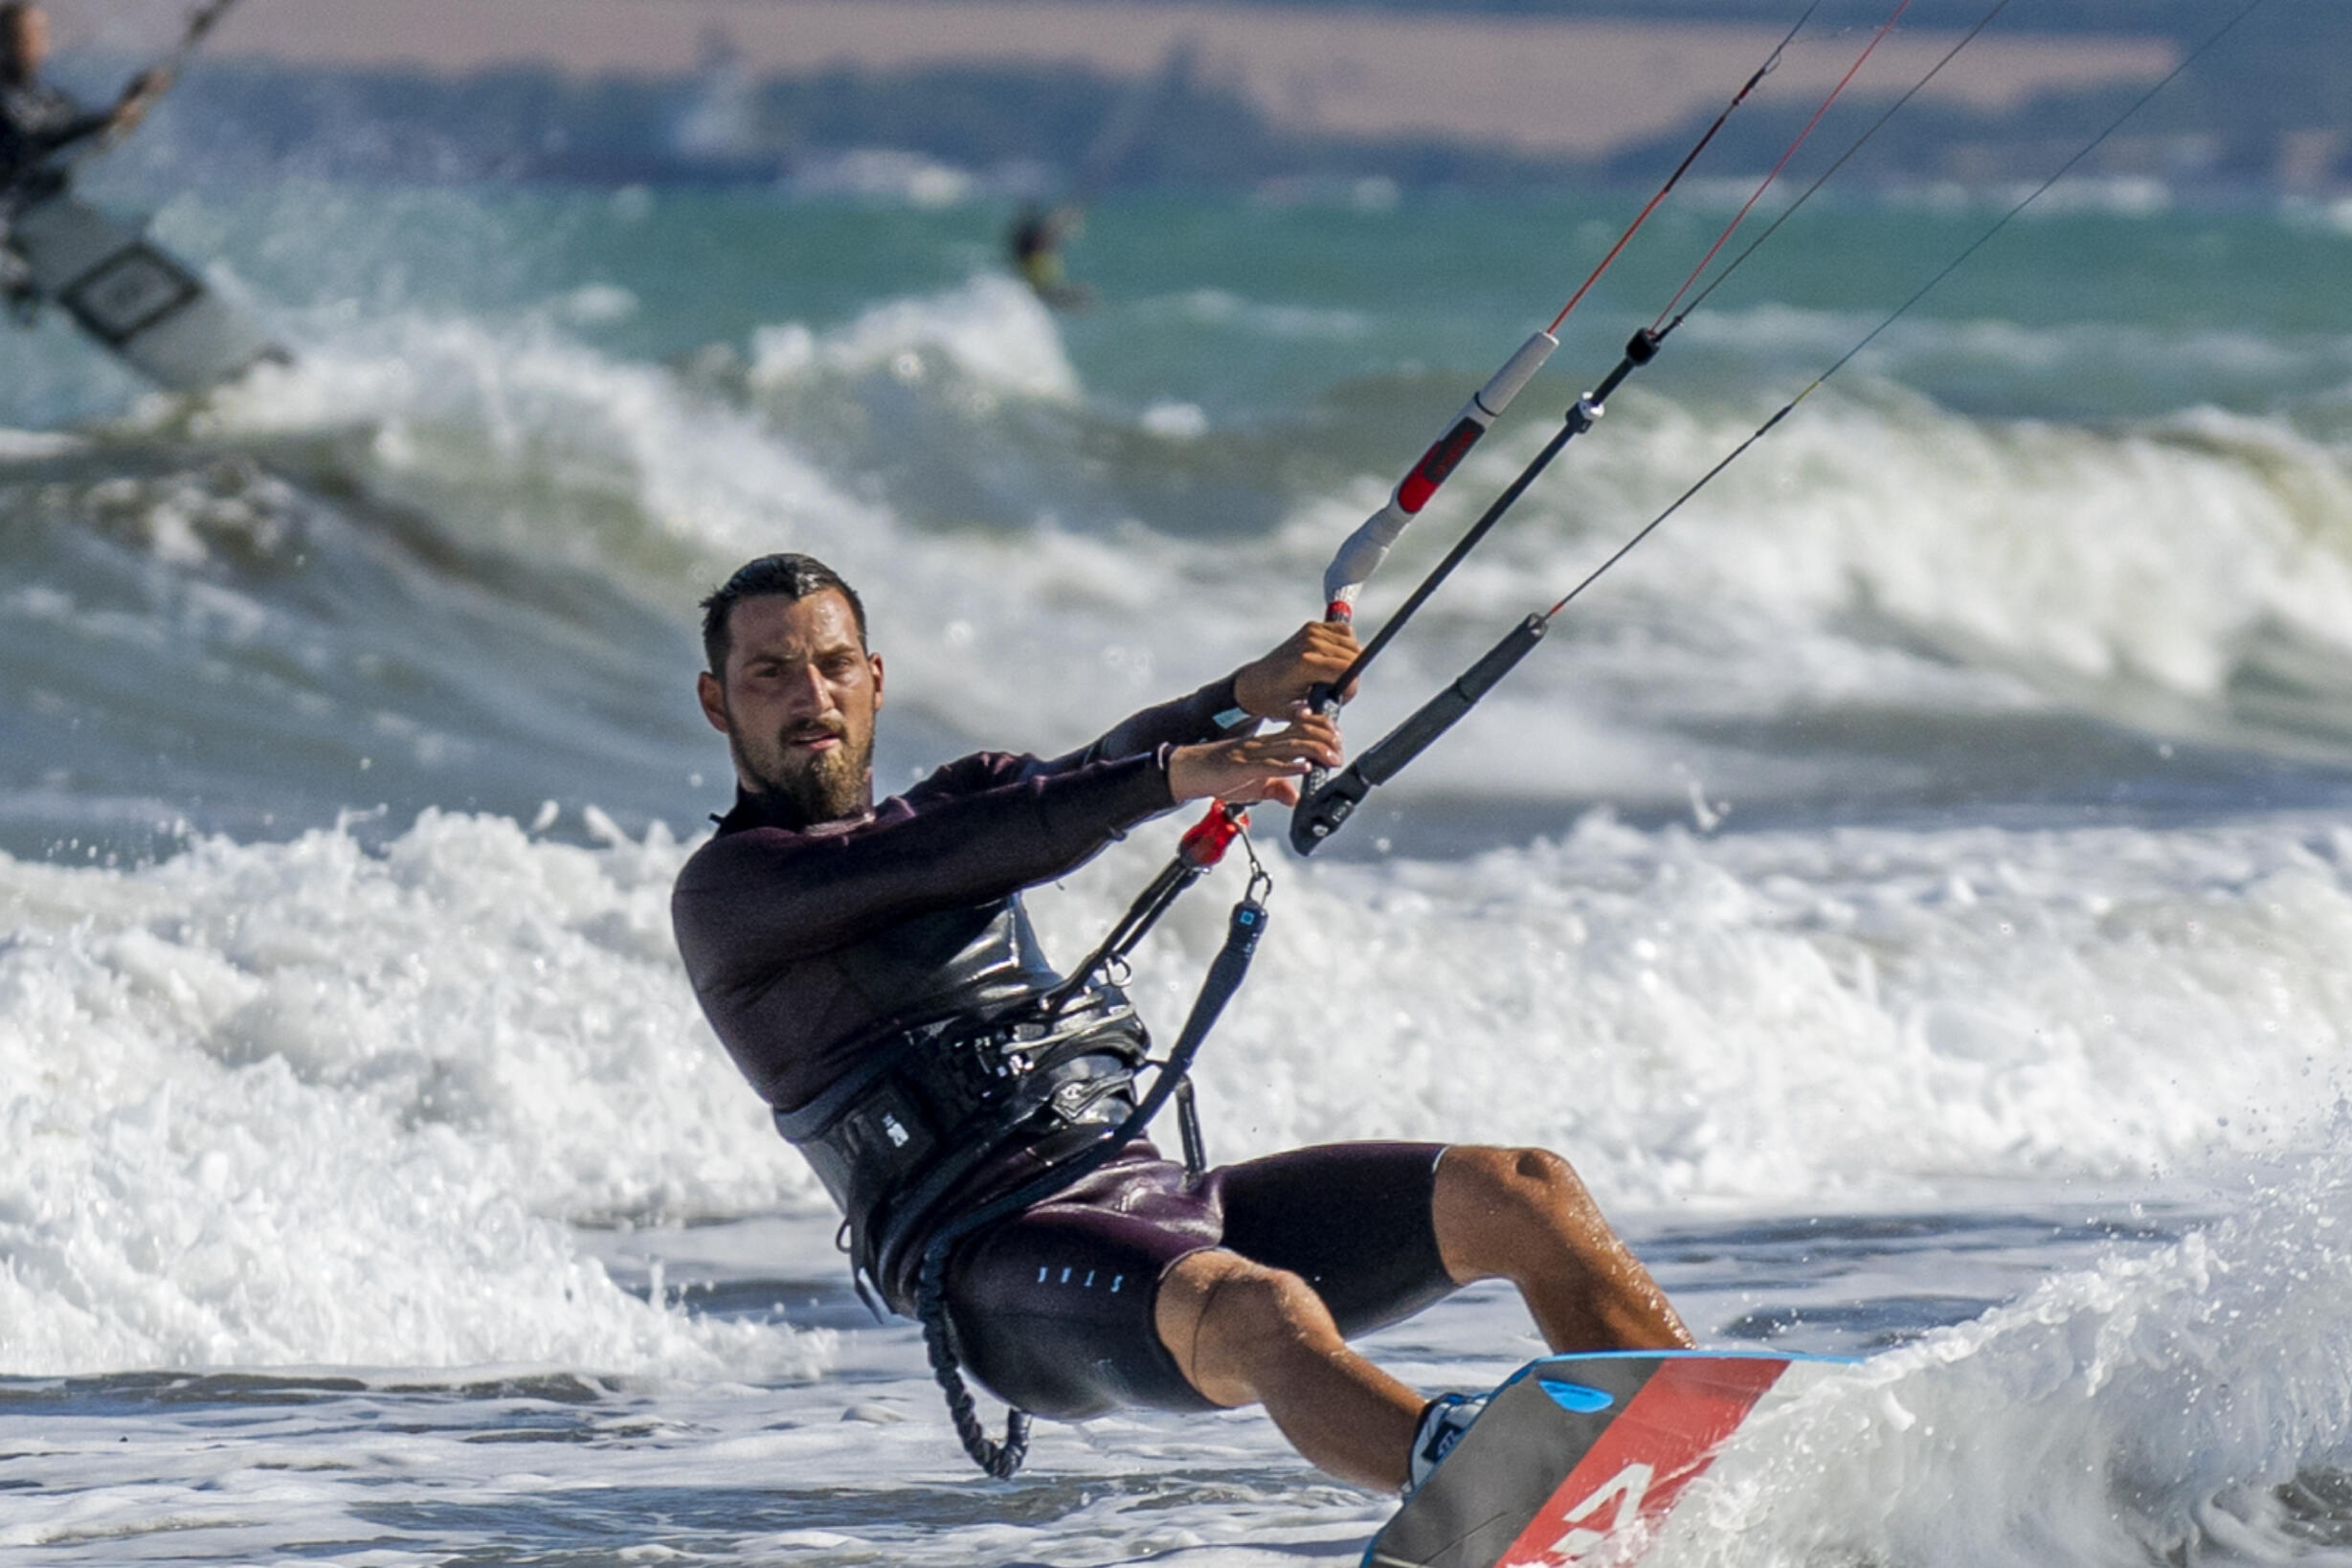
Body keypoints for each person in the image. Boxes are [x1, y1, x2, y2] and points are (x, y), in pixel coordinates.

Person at [670, 552, 1691, 1493]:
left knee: (1520, 1191)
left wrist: (1236, 700)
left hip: (1154, 1199)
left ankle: (1701, 1441)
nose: (813, 697)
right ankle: (1493, 1497)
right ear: (717, 704)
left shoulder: (958, 800)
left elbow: (1076, 776)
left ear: (876, 677)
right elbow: (959, 856)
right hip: (997, 1267)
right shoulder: (732, 892)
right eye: (772, 674)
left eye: (834, 664)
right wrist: (1175, 780)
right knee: (1263, 1311)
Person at [1, 1, 169, 313]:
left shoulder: (48, 98)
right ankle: (19, 285)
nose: (37, 42)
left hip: (42, 210)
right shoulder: (7, 98)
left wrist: (134, 96)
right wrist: (108, 117)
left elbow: (81, 132)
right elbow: (36, 133)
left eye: (40, 33)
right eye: (25, 35)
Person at [1007, 201, 1091, 310]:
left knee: (1047, 233)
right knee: (1047, 234)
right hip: (1032, 256)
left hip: (1031, 257)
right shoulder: (1045, 289)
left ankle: (1070, 211)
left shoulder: (1044, 289)